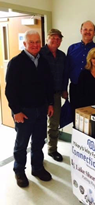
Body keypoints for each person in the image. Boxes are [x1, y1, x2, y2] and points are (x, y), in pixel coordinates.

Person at [5, 30, 54, 188]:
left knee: (39, 141)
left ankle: (37, 168)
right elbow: (10, 90)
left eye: (37, 41)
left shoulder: (44, 62)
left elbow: (49, 86)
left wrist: (51, 103)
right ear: (24, 44)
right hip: (24, 112)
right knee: (21, 144)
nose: (35, 45)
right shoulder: (16, 62)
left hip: (41, 109)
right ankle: (19, 171)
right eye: (31, 42)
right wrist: (16, 111)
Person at [62, 21, 95, 120]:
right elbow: (66, 69)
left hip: (93, 91)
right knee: (76, 117)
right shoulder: (71, 48)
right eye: (85, 29)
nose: (87, 32)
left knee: (93, 119)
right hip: (75, 89)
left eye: (90, 30)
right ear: (81, 31)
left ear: (94, 32)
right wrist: (64, 88)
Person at [40, 29, 66, 162]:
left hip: (55, 95)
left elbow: (64, 74)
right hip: (39, 95)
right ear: (47, 39)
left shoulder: (62, 56)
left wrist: (64, 89)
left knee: (54, 124)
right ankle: (37, 153)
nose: (56, 41)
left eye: (58, 39)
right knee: (38, 124)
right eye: (53, 38)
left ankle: (52, 149)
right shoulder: (39, 54)